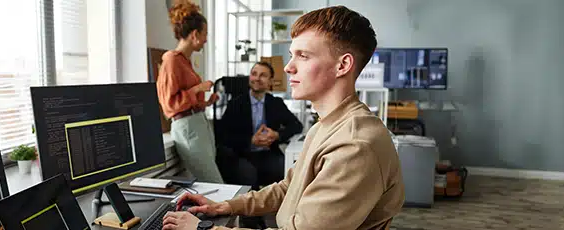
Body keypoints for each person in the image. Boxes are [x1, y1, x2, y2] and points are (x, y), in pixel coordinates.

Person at [162, 6, 405, 230]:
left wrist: (202, 228)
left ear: (342, 65)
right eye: (292, 55)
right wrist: (226, 205)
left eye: (303, 56)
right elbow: (289, 187)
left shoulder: (355, 147)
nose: (288, 67)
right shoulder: (327, 124)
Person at [156, 0, 224, 183]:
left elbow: (187, 100)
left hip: (197, 124)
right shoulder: (171, 60)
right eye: (205, 34)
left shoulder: (186, 61)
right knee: (214, 182)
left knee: (211, 180)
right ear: (195, 34)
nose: (206, 39)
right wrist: (199, 88)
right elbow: (169, 105)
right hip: (187, 128)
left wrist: (206, 102)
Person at [219, 62, 303, 189]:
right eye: (254, 74)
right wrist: (250, 140)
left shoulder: (275, 103)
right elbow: (222, 136)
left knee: (288, 170)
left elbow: (297, 125)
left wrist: (277, 135)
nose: (257, 78)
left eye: (263, 75)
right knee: (248, 174)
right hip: (242, 154)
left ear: (270, 82)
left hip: (268, 153)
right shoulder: (235, 104)